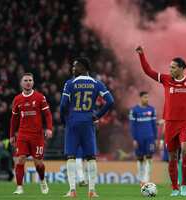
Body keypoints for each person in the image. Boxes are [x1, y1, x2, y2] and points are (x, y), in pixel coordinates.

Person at [136, 45, 186, 196]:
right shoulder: (166, 80)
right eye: (170, 67)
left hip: (185, 123)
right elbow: (148, 71)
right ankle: (174, 187)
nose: (170, 70)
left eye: (173, 67)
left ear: (181, 68)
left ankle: (184, 185)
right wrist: (141, 55)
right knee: (173, 157)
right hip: (170, 123)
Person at [60, 57, 114, 198]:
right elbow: (110, 101)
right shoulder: (97, 83)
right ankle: (92, 190)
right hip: (88, 121)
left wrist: (65, 119)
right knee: (91, 157)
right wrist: (97, 115)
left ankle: (72, 191)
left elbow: (63, 105)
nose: (73, 69)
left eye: (75, 66)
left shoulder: (70, 83)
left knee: (71, 156)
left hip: (73, 122)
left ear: (83, 67)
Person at [9, 73, 53, 194]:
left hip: (37, 136)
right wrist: (12, 135)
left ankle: (43, 181)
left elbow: (48, 114)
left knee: (38, 163)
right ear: (21, 83)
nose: (28, 82)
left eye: (30, 80)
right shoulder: (17, 99)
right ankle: (19, 187)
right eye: (25, 80)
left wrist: (49, 128)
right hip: (22, 135)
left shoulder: (40, 97)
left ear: (33, 82)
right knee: (20, 159)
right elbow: (14, 120)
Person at [129, 91, 157, 186]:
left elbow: (154, 125)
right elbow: (132, 126)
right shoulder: (134, 110)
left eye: (147, 97)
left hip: (150, 137)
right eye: (145, 97)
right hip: (139, 138)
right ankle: (140, 179)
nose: (147, 99)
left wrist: (155, 138)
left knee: (149, 157)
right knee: (140, 158)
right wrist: (134, 139)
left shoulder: (152, 109)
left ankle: (146, 179)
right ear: (140, 98)